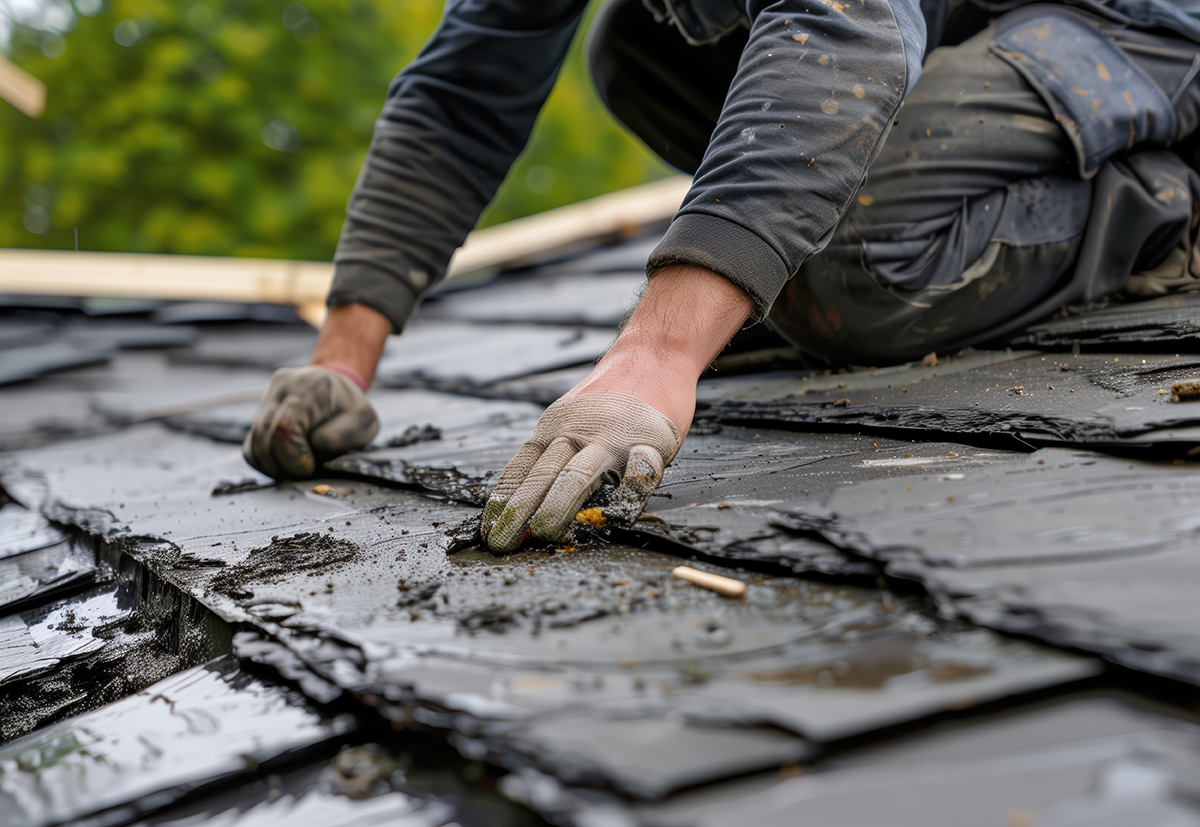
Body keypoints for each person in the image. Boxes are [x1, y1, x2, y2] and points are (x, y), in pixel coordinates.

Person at [245, 0, 1200, 552]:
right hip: (957, 22)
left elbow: (845, 23)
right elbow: (459, 98)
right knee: (636, 45)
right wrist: (347, 357)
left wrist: (660, 349)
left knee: (851, 266)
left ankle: (1162, 207)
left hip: (1128, 27)